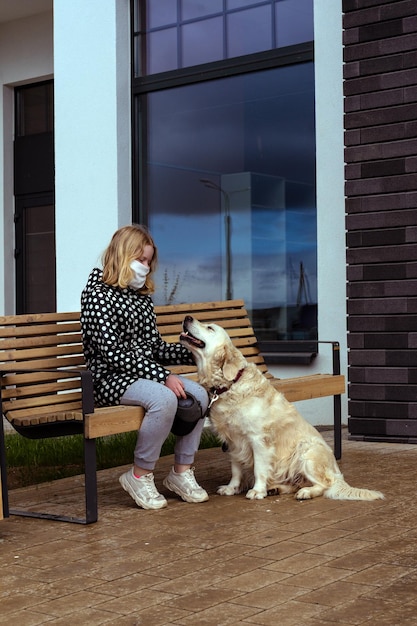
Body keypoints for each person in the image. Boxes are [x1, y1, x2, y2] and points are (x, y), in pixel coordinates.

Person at [80, 224, 209, 510]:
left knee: (199, 394)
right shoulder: (97, 295)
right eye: (140, 260)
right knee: (164, 398)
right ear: (122, 256)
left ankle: (181, 473)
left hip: (144, 375)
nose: (145, 267)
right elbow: (111, 353)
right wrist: (163, 376)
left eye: (148, 261)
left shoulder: (141, 298)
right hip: (108, 378)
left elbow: (155, 348)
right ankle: (140, 475)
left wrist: (198, 352)